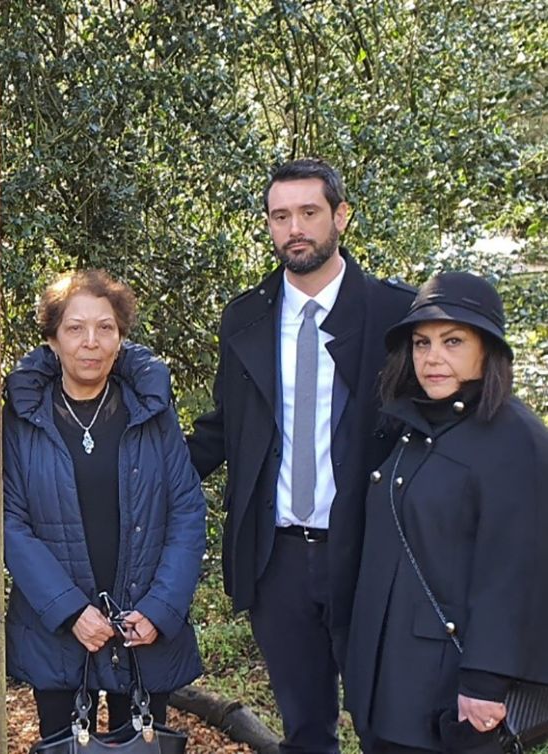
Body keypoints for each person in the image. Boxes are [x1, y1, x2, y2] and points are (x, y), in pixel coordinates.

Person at [186, 157, 415, 752]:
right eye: (280, 216)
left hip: (369, 553)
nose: (296, 228)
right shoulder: (247, 318)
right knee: (307, 729)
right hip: (278, 558)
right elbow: (223, 429)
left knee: (386, 724)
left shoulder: (396, 315)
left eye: (309, 212)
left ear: (340, 215)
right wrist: (137, 478)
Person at [345, 272, 548, 753]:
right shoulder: (414, 425)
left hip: (455, 695)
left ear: (488, 349)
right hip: (390, 683)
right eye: (421, 343)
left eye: (452, 341)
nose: (432, 358)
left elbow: (517, 572)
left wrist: (486, 681)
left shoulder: (516, 439)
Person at [4, 269, 206, 738]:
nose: (90, 342)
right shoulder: (24, 418)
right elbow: (10, 522)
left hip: (142, 623)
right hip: (57, 628)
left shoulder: (152, 412)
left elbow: (187, 510)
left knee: (141, 742)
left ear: (120, 340)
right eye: (75, 328)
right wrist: (71, 612)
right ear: (53, 340)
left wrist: (159, 608)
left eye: (105, 328)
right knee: (61, 744)